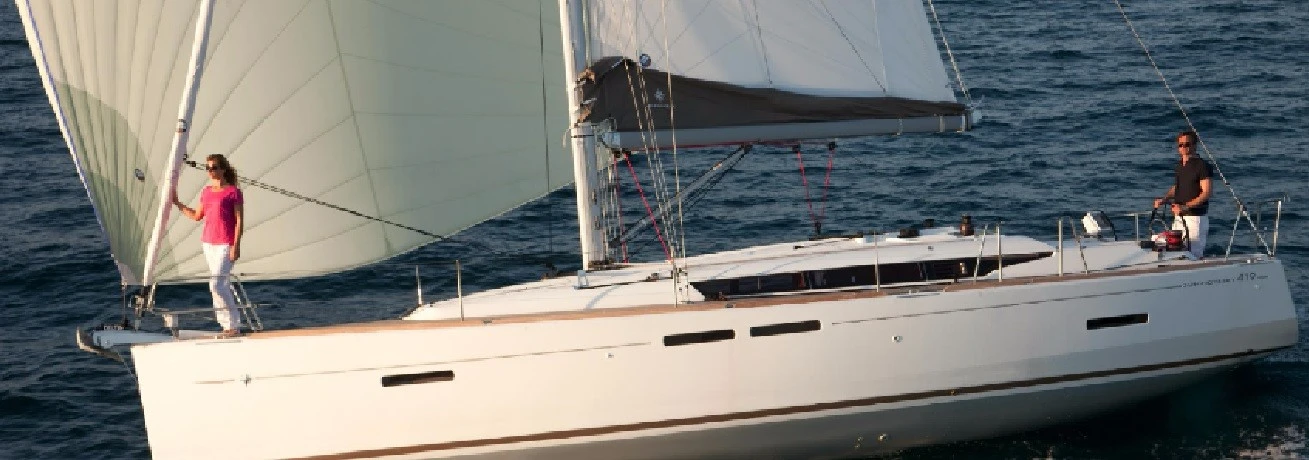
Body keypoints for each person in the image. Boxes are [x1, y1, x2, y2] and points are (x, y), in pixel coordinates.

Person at [172, 154, 244, 336]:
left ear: (223, 169)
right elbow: (197, 215)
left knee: (216, 285)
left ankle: (233, 324)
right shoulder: (206, 192)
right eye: (208, 168)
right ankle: (226, 325)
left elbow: (239, 221)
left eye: (214, 167)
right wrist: (177, 203)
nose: (210, 171)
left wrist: (236, 246)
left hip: (226, 244)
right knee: (221, 285)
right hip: (208, 243)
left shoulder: (233, 192)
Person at [1152, 130, 1212, 258]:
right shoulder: (1180, 165)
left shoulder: (1202, 165)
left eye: (1187, 144)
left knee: (1193, 255)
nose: (1183, 147)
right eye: (1181, 145)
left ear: (1194, 145)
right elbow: (1177, 187)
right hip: (1179, 217)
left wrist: (1185, 207)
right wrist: (1164, 199)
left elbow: (1206, 192)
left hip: (1195, 218)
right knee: (1177, 253)